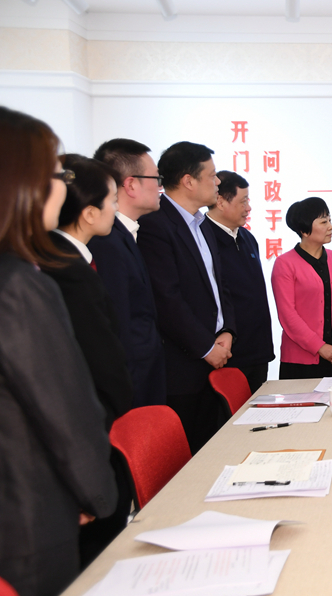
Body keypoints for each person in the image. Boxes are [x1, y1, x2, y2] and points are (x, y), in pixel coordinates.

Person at [0, 106, 116, 596]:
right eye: (56, 175)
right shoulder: (18, 285)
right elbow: (63, 409)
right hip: (30, 522)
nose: (63, 188)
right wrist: (96, 493)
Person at [42, 154, 135, 567]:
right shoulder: (67, 272)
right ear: (89, 213)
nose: (116, 209)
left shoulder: (65, 261)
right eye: (112, 200)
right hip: (94, 438)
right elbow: (99, 367)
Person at [138, 141, 236, 454]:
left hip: (216, 358)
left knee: (215, 453)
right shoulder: (155, 225)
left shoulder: (203, 225)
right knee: (186, 461)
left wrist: (227, 330)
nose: (218, 181)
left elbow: (219, 286)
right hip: (183, 369)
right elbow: (166, 299)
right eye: (212, 175)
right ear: (188, 181)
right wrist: (206, 347)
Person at [89, 138, 167, 408]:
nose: (160, 187)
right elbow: (118, 325)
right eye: (156, 178)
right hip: (133, 385)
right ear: (131, 184)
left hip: (145, 374)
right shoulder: (106, 241)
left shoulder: (125, 233)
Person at [272, 198, 332, 379]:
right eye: (323, 222)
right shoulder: (284, 264)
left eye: (330, 220)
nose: (330, 226)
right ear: (304, 230)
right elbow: (287, 315)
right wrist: (319, 347)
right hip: (301, 362)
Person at [206, 171, 275, 392]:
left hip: (258, 350)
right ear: (220, 202)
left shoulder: (247, 237)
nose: (248, 208)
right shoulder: (203, 238)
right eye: (243, 201)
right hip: (227, 354)